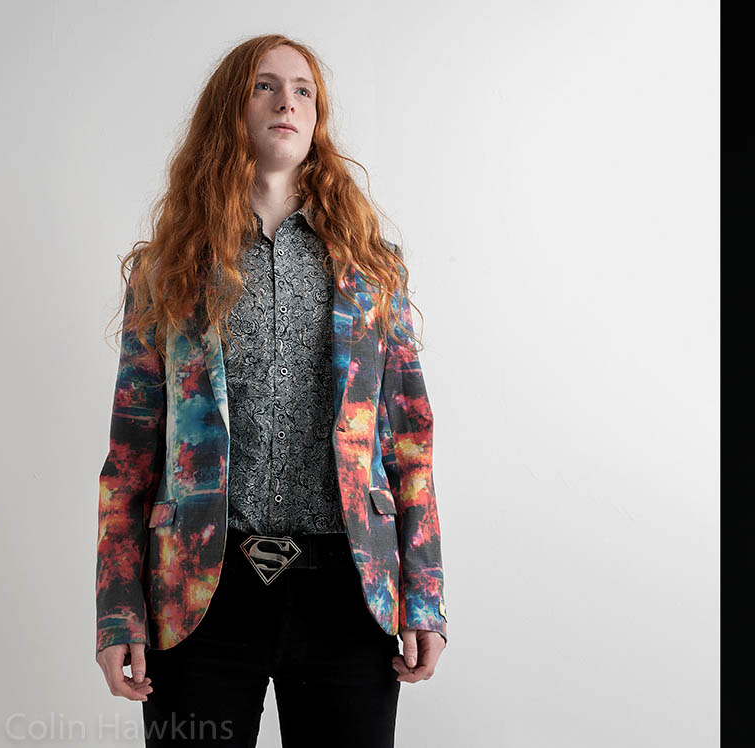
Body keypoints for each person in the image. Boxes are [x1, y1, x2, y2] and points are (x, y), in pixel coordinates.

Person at [94, 34, 448, 747]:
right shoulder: (170, 271)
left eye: (303, 90)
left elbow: (409, 443)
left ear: (317, 119)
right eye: (265, 86)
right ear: (233, 110)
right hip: (200, 591)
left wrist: (427, 598)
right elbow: (131, 455)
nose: (287, 100)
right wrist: (116, 612)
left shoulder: (370, 268)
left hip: (350, 591)